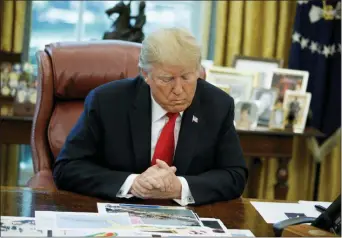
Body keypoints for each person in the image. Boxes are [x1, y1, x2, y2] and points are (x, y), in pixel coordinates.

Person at [53, 27, 248, 206]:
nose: (179, 90)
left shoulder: (217, 105)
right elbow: (67, 168)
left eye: (187, 77)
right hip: (118, 210)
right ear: (145, 74)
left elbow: (234, 175)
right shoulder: (107, 102)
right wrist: (133, 183)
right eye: (167, 79)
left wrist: (180, 187)